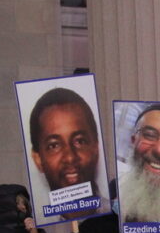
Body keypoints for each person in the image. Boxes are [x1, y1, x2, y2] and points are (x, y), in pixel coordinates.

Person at [29, 87, 106, 219]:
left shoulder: (118, 217)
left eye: (80, 141)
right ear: (38, 159)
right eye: (54, 145)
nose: (70, 157)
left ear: (96, 148)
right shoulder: (39, 226)